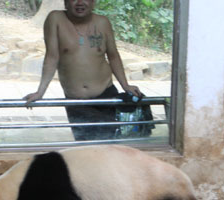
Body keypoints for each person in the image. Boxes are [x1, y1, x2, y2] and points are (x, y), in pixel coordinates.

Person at [24, 0, 143, 141]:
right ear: (66, 2)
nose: (80, 3)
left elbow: (113, 55)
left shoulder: (102, 23)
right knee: (86, 148)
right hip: (76, 101)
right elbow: (52, 56)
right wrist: (40, 91)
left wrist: (125, 85)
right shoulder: (55, 19)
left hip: (106, 94)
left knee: (111, 145)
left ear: (93, 2)